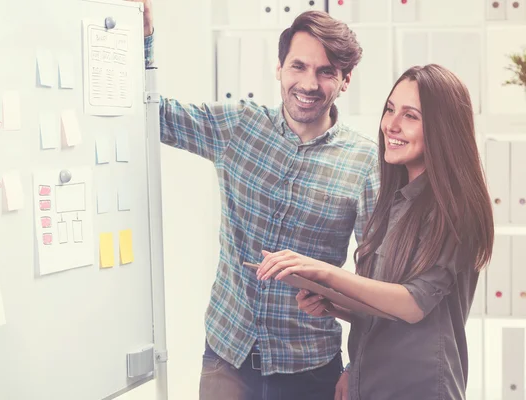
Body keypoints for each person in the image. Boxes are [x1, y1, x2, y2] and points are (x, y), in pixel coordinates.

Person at [131, 1, 379, 398]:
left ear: (345, 80)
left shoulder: (366, 162)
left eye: (326, 72)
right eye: (298, 66)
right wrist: (142, 40)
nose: (309, 84)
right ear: (279, 68)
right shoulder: (238, 125)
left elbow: (375, 280)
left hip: (310, 368)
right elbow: (151, 115)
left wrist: (358, 364)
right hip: (226, 356)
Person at [257, 64, 495, 400]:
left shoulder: (455, 209)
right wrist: (331, 304)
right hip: (372, 386)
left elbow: (413, 304)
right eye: (390, 109)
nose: (391, 125)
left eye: (411, 115)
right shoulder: (395, 201)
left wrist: (323, 271)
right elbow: (385, 307)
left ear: (443, 128)